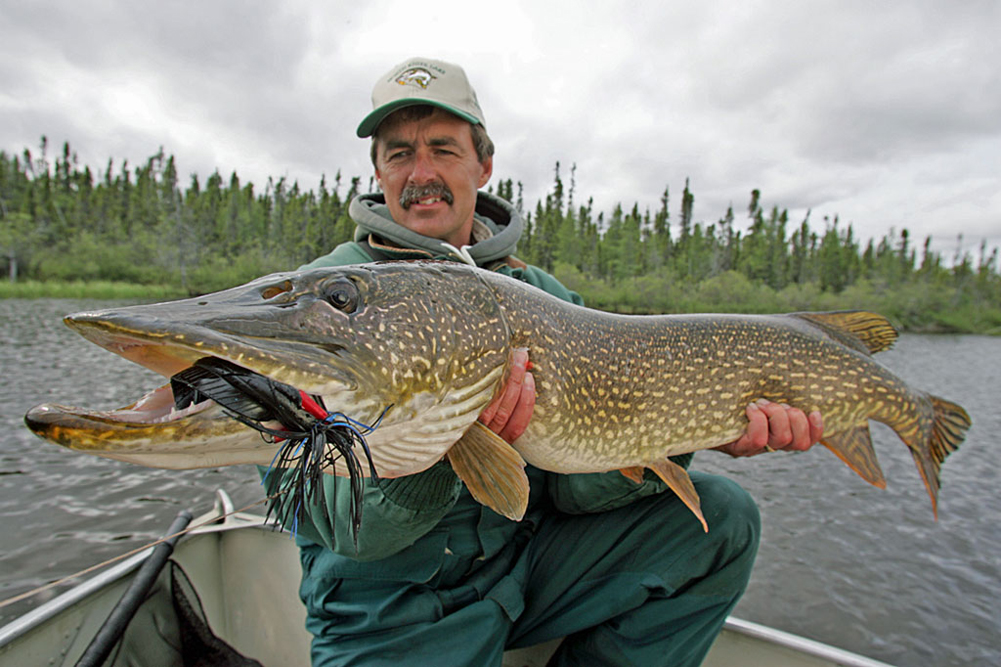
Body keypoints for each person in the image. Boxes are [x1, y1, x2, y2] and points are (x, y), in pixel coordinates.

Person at [285, 57, 824, 666]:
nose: (422, 172)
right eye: (399, 153)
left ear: (483, 165)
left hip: (520, 580)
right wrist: (447, 439)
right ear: (377, 170)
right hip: (386, 609)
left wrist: (697, 427)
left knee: (723, 518)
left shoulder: (543, 295)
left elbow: (579, 489)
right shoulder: (316, 306)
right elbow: (354, 532)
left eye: (443, 149)